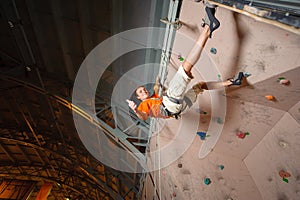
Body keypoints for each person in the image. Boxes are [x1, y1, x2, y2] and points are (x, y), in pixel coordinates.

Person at [127, 4, 245, 121]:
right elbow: (143, 117)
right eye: (141, 92)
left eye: (143, 89)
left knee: (200, 86)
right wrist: (135, 110)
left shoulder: (154, 98)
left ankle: (231, 82)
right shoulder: (143, 105)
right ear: (138, 97)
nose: (144, 91)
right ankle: (208, 27)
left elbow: (158, 89)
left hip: (179, 108)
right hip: (171, 104)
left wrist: (158, 83)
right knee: (185, 68)